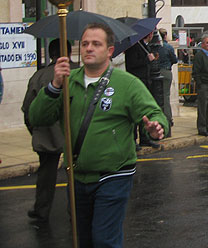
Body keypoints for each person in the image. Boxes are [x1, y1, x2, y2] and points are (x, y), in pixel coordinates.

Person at [28, 23, 167, 247]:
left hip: (114, 175)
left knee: (104, 240)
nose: (89, 49)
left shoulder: (128, 84)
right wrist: (54, 86)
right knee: (82, 238)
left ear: (109, 51)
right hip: (78, 174)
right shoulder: (67, 82)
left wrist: (157, 127)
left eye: (96, 44)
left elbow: (154, 113)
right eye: (84, 44)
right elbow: (37, 117)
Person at [22, 39, 77, 224]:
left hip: (47, 134)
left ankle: (41, 209)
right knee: (76, 174)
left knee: (46, 175)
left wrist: (35, 131)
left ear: (51, 53)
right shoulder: (81, 72)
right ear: (69, 53)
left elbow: (28, 109)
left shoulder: (39, 76)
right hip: (74, 133)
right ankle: (75, 211)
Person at [125, 31, 159, 148]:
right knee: (135, 112)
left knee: (145, 112)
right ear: (148, 35)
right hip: (136, 82)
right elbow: (131, 64)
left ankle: (145, 138)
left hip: (146, 82)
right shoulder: (133, 47)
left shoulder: (145, 46)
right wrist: (146, 59)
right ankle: (133, 140)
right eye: (151, 34)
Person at [157, 28, 178, 137]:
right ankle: (168, 119)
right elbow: (175, 60)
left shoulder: (155, 47)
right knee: (166, 97)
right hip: (166, 71)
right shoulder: (168, 47)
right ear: (165, 36)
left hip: (155, 72)